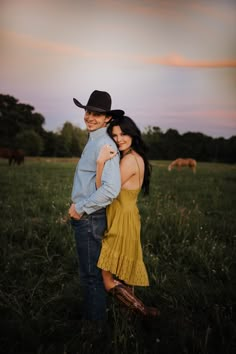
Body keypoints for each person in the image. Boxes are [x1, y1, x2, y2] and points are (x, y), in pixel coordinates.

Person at [68, 90, 124, 326]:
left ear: (107, 118)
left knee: (92, 276)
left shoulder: (105, 144)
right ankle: (92, 321)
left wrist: (80, 208)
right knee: (89, 274)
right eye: (88, 112)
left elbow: (111, 189)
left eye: (97, 115)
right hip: (85, 215)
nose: (90, 117)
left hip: (89, 217)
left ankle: (95, 330)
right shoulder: (94, 140)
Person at [95, 116, 159, 317]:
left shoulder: (130, 160)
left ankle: (143, 312)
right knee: (123, 272)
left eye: (123, 133)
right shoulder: (134, 156)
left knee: (107, 278)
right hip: (127, 217)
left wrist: (100, 163)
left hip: (121, 220)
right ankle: (128, 321)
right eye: (114, 135)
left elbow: (103, 190)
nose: (119, 138)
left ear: (132, 133)